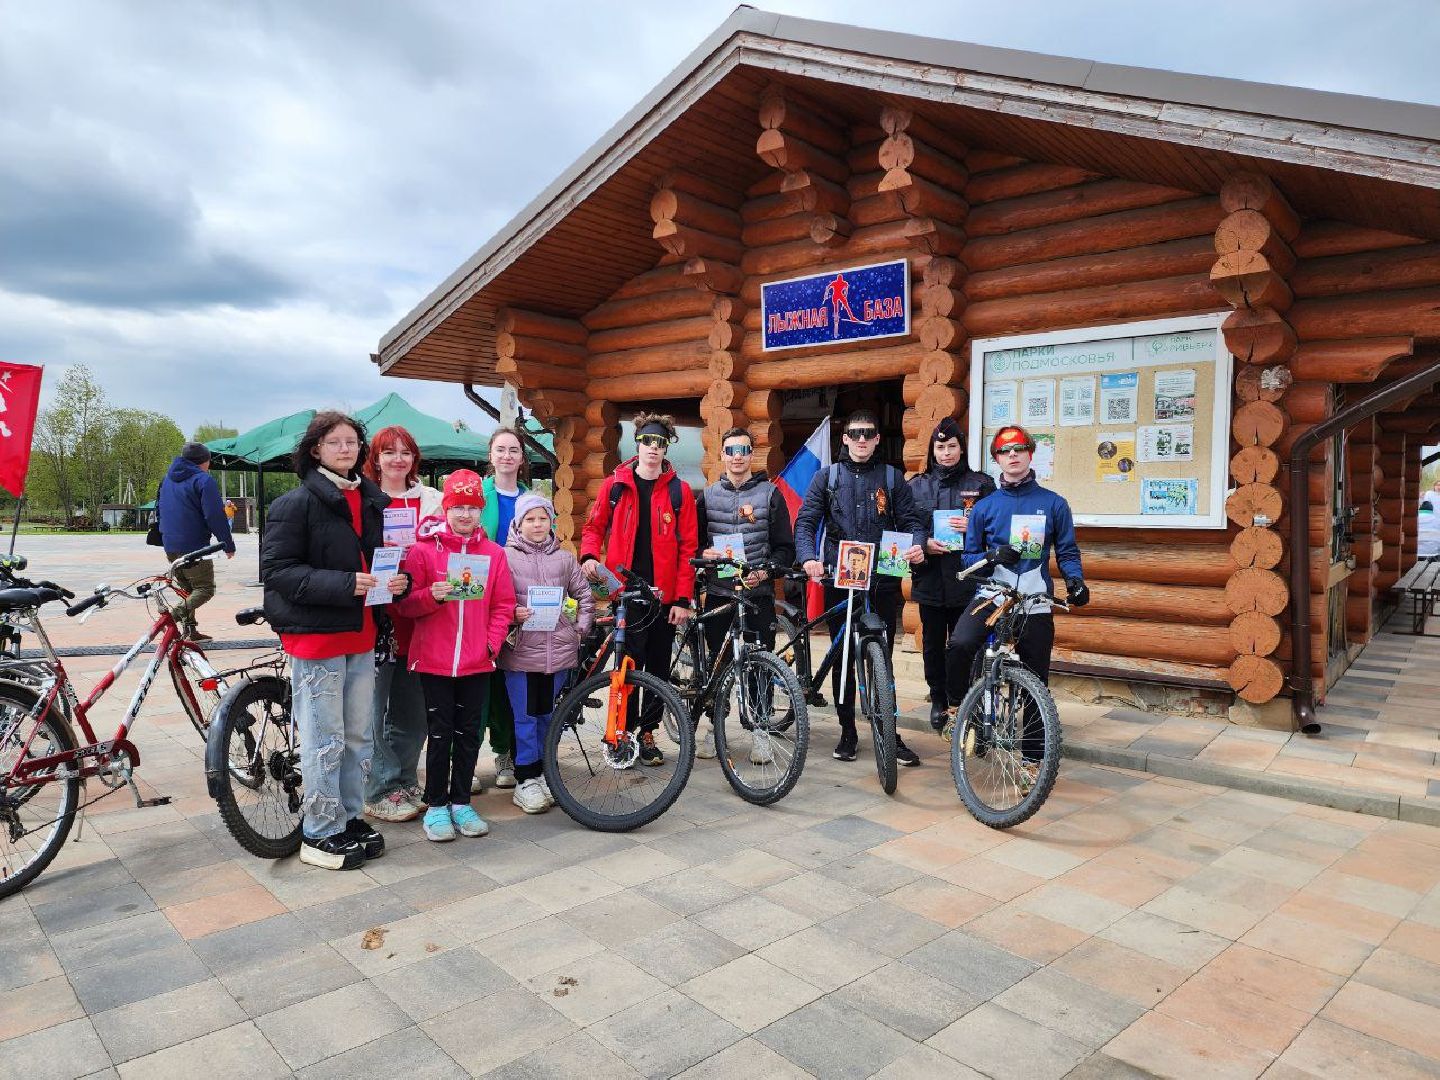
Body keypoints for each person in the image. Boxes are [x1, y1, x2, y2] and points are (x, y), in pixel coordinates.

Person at [262, 412, 406, 871]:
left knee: (359, 735)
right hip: (318, 638)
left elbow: (376, 561)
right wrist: (347, 584)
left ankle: (347, 816)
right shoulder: (295, 504)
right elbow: (278, 574)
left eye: (351, 442)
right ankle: (319, 832)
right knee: (325, 738)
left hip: (361, 632)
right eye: (335, 442)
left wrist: (390, 583)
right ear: (315, 450)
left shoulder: (369, 501)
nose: (345, 449)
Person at [795, 409, 925, 766]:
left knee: (881, 655)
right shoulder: (827, 477)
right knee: (845, 656)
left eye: (869, 433)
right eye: (855, 433)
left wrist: (917, 543)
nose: (862, 439)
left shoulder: (892, 477)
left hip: (883, 577)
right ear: (845, 438)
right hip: (841, 576)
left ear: (878, 439)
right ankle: (847, 730)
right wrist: (809, 558)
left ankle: (889, 733)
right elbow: (806, 522)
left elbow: (912, 520)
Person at [943, 424, 1089, 742]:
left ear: (1030, 454)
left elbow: (1066, 551)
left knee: (1037, 678)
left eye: (1019, 449)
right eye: (1005, 451)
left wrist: (1075, 581)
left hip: (1034, 597)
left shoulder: (1054, 503)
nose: (1012, 455)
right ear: (997, 458)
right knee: (960, 644)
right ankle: (955, 708)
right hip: (993, 594)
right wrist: (992, 556)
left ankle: (1034, 757)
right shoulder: (984, 506)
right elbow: (968, 559)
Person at [396, 470, 516, 842]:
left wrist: (491, 645)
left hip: (477, 661)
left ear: (481, 510)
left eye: (472, 507)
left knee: (468, 736)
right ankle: (435, 805)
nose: (465, 514)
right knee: (439, 733)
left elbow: (504, 605)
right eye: (458, 506)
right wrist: (431, 595)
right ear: (446, 507)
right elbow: (404, 607)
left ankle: (461, 801)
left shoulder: (494, 554)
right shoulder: (422, 550)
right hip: (434, 661)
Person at [580, 412, 699, 766]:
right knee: (628, 667)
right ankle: (624, 733)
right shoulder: (614, 485)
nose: (653, 448)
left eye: (660, 442)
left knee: (659, 669)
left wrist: (682, 598)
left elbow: (688, 548)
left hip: (663, 598)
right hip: (625, 594)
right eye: (648, 441)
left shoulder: (679, 491)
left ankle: (647, 733)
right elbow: (593, 526)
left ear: (666, 447)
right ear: (638, 443)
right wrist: (588, 556)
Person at [694, 426, 796, 757]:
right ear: (721, 456)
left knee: (759, 665)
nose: (737, 457)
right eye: (730, 451)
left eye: (743, 451)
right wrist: (705, 555)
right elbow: (694, 546)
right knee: (719, 665)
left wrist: (766, 571)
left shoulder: (770, 494)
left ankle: (760, 730)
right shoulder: (707, 497)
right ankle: (714, 727)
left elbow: (784, 547)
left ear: (752, 455)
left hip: (757, 596)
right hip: (721, 593)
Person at [360, 425, 442, 824]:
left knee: (414, 709)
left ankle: (404, 779)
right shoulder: (362, 498)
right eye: (388, 452)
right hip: (376, 616)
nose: (397, 459)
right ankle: (379, 787)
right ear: (375, 458)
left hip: (419, 613)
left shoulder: (432, 500)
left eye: (405, 452)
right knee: (374, 709)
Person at [499, 493, 594, 812]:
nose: (537, 524)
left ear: (551, 521)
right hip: (522, 653)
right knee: (524, 717)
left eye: (542, 518)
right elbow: (496, 601)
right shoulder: (505, 557)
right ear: (518, 523)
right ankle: (525, 777)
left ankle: (544, 772)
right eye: (530, 519)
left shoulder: (565, 558)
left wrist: (580, 627)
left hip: (558, 652)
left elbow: (584, 594)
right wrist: (513, 612)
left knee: (547, 716)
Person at [908, 417, 996, 730]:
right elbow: (908, 525)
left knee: (965, 644)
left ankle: (967, 701)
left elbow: (995, 529)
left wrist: (973, 526)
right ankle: (938, 699)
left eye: (952, 446)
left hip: (968, 579)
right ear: (933, 450)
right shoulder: (917, 485)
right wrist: (924, 543)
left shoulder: (981, 484)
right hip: (930, 578)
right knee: (932, 644)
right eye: (940, 447)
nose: (946, 452)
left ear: (961, 448)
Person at [475, 426, 530, 793]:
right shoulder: (478, 494)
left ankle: (506, 753)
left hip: (519, 602)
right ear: (491, 455)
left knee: (512, 682)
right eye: (501, 449)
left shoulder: (531, 498)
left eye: (513, 450)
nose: (507, 456)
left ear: (522, 458)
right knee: (479, 680)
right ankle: (462, 757)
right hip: (481, 600)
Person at [157, 441, 236, 640]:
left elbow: (159, 509)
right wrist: (227, 543)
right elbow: (214, 515)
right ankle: (169, 618)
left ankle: (190, 631)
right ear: (205, 461)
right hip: (194, 546)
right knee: (205, 589)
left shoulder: (167, 479)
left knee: (187, 590)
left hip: (170, 544)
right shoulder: (203, 480)